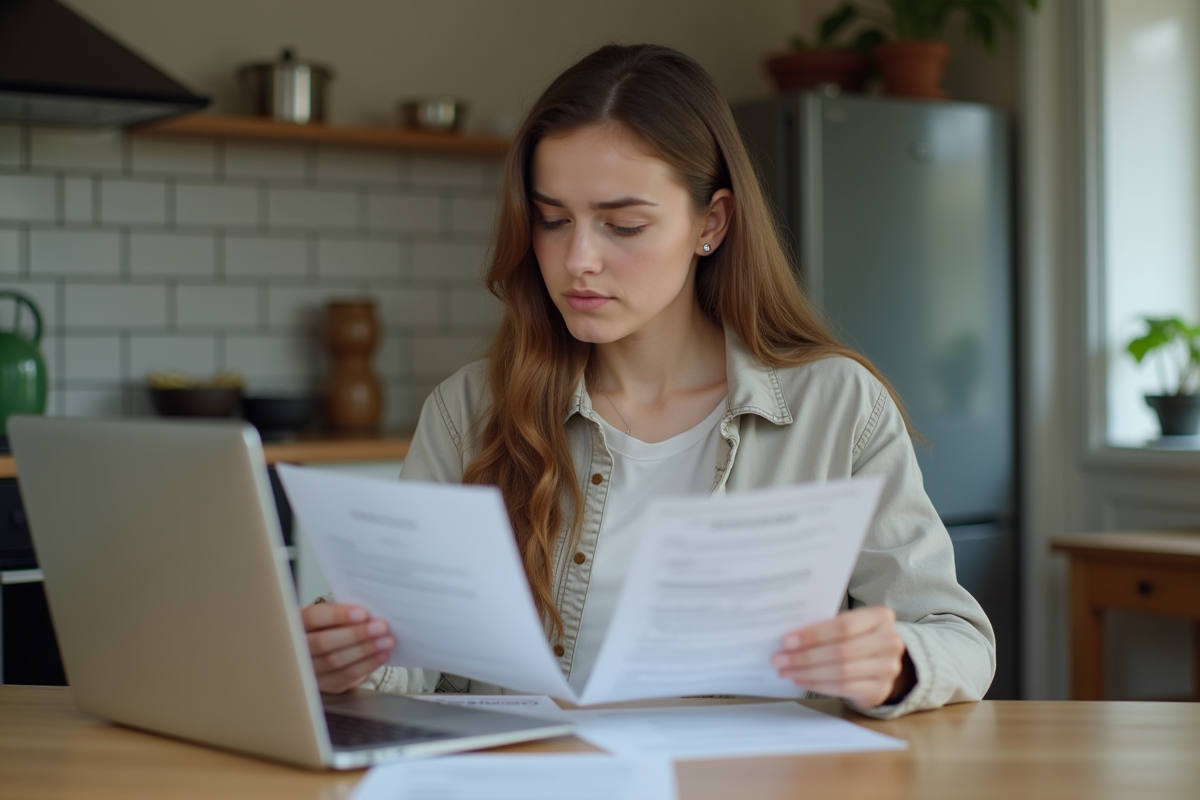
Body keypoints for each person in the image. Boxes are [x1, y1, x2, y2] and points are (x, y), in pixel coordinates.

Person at [302, 43, 995, 718]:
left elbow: (956, 636)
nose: (578, 259)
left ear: (711, 223)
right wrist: (349, 657)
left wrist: (893, 663)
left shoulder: (836, 406)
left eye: (624, 225)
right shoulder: (469, 409)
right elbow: (408, 653)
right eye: (552, 220)